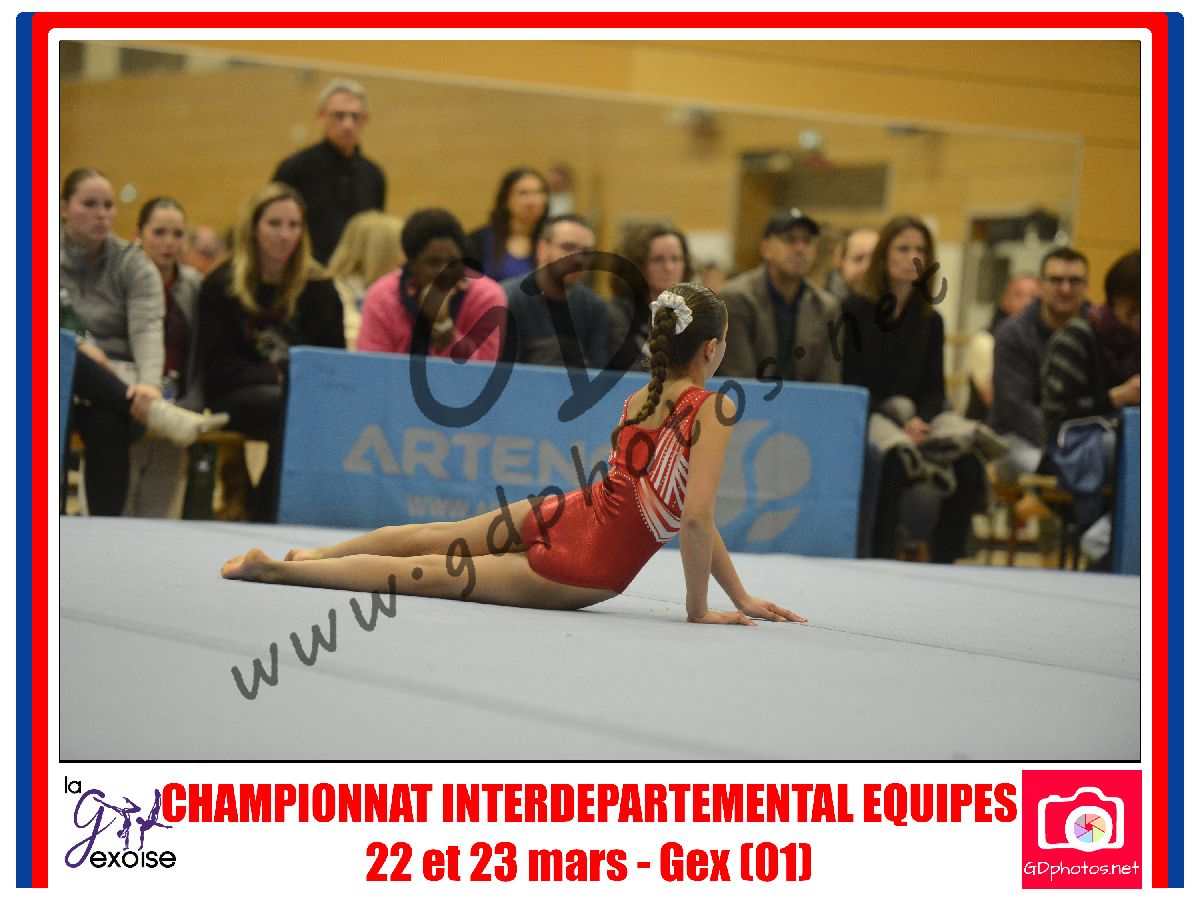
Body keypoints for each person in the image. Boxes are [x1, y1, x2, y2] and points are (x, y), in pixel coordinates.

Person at [222, 283, 806, 628]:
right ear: (712, 348)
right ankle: (281, 570)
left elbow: (680, 510)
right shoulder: (710, 407)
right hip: (588, 563)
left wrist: (740, 596)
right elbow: (695, 517)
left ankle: (315, 554)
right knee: (434, 576)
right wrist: (699, 609)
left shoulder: (640, 398)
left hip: (564, 510)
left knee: (433, 535)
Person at [60, 168, 226, 515]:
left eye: (108, 205)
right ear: (63, 208)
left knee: (108, 422)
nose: (101, 214)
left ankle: (104, 532)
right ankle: (157, 413)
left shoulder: (131, 262)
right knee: (62, 354)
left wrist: (149, 385)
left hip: (115, 385)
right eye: (89, 204)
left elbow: (148, 327)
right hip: (50, 377)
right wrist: (79, 347)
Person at [841, 215, 992, 563]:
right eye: (903, 248)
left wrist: (922, 419)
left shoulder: (930, 320)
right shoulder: (853, 311)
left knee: (967, 458)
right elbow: (851, 381)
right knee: (894, 456)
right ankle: (878, 556)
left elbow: (934, 387)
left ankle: (947, 563)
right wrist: (900, 421)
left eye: (920, 250)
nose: (913, 257)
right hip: (871, 412)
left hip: (917, 416)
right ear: (883, 256)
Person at [195, 182, 345, 522]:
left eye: (294, 225)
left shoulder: (319, 286)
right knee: (291, 410)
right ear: (254, 228)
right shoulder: (222, 284)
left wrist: (298, 383)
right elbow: (216, 365)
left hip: (300, 396)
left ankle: (273, 508)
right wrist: (278, 377)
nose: (285, 235)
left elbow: (333, 360)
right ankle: (264, 513)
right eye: (274, 224)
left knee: (307, 412)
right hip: (236, 392)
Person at [1039, 251, 1140, 565]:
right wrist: (1118, 397)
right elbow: (1056, 411)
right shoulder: (1076, 338)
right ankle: (1109, 534)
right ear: (1117, 299)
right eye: (1136, 307)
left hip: (1128, 438)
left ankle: (1114, 533)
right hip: (1073, 443)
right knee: (1128, 445)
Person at [124, 197, 210, 517]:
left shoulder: (195, 286)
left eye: (177, 234)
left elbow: (200, 355)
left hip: (175, 413)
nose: (169, 242)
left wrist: (192, 406)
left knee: (161, 518)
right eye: (159, 232)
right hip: (127, 409)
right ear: (138, 235)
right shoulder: (121, 278)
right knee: (114, 515)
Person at [357, 208, 507, 361]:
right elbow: (371, 366)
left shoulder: (487, 297)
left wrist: (443, 327)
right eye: (432, 263)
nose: (444, 272)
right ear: (412, 264)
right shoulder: (382, 296)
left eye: (453, 262)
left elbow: (483, 370)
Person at [991, 248, 1090, 481]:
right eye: (1056, 280)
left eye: (1075, 281)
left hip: (1083, 439)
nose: (1065, 289)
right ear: (1042, 285)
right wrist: (1065, 444)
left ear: (1086, 287)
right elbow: (1017, 409)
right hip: (1017, 438)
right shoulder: (1013, 333)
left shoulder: (1098, 328)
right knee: (1060, 471)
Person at [717, 208, 842, 384]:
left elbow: (828, 383)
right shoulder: (737, 298)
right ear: (766, 249)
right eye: (790, 239)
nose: (800, 248)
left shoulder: (826, 307)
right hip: (747, 399)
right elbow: (739, 378)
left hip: (807, 401)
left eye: (807, 241)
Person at [272, 78, 386, 264]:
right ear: (321, 117)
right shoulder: (295, 168)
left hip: (357, 274)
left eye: (355, 117)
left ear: (365, 120)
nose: (348, 125)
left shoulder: (373, 175)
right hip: (306, 271)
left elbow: (375, 236)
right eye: (339, 116)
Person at [501, 214, 608, 369]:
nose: (579, 259)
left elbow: (599, 374)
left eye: (586, 252)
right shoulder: (506, 299)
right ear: (542, 249)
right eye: (568, 247)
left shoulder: (594, 307)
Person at [606, 223, 693, 371]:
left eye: (676, 259)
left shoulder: (695, 313)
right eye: (658, 260)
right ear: (638, 265)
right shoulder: (618, 314)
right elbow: (627, 370)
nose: (669, 267)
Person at [962, 273, 1039, 421]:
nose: (1027, 302)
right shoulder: (985, 340)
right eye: (1019, 295)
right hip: (989, 424)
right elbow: (994, 398)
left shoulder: (1046, 341)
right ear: (1005, 300)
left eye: (1034, 297)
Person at [324, 209, 404, 348]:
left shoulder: (402, 291)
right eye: (400, 249)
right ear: (381, 254)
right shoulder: (333, 291)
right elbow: (351, 342)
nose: (404, 259)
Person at [464, 167, 549, 282]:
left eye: (539, 193)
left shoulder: (554, 240)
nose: (532, 201)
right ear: (506, 200)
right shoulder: (479, 240)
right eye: (523, 193)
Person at [825, 227, 878, 301]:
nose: (867, 267)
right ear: (841, 261)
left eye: (875, 260)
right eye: (858, 258)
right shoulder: (820, 304)